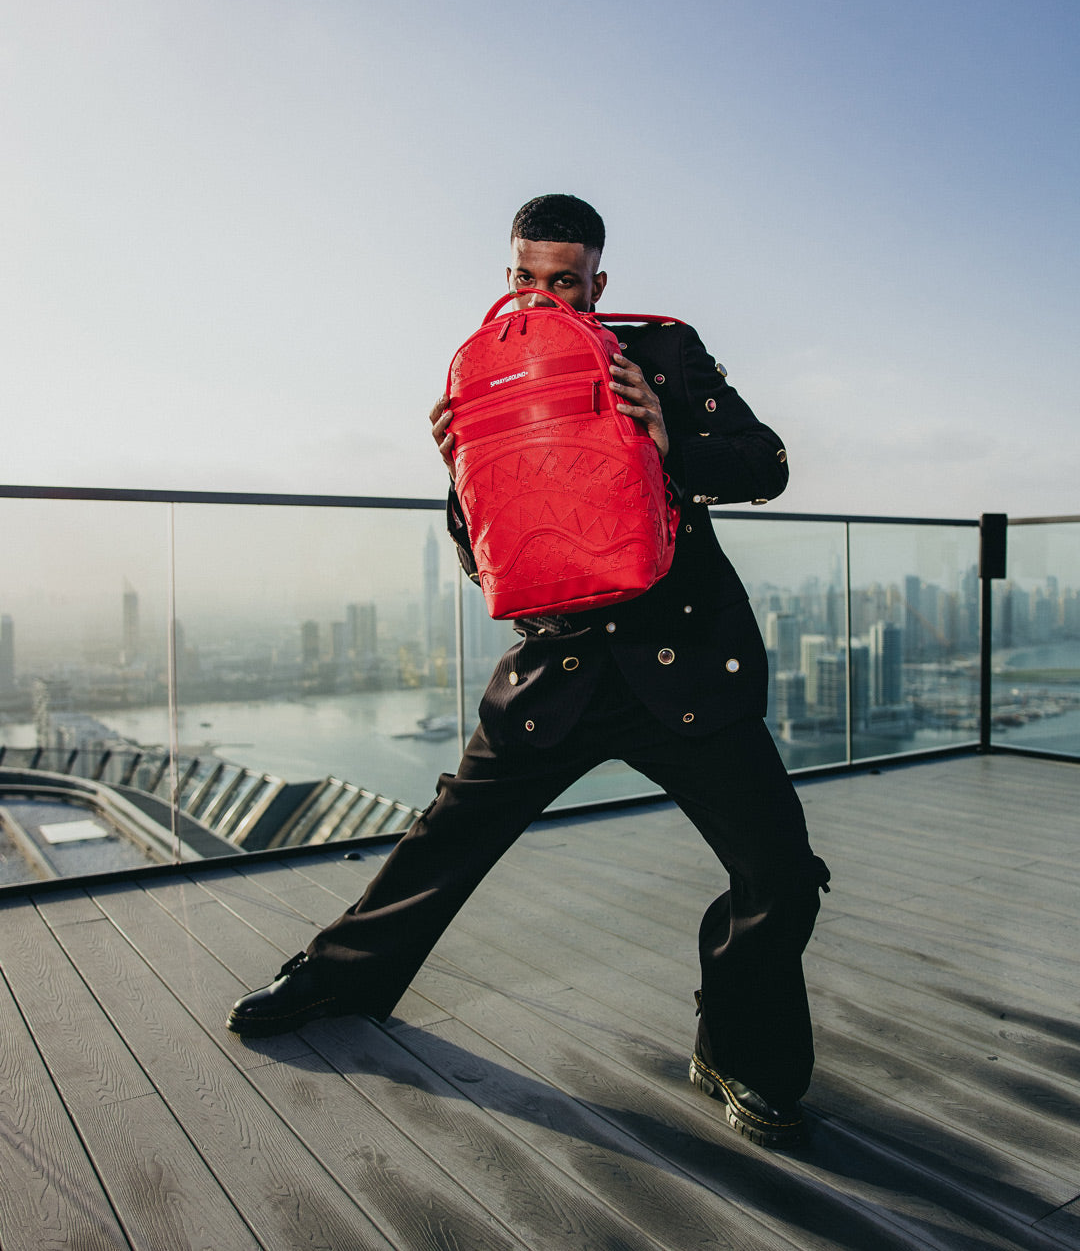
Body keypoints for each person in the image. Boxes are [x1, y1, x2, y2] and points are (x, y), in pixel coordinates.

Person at [227, 194, 830, 1149]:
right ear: (506, 274)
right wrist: (464, 465)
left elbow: (769, 464)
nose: (542, 294)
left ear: (598, 282)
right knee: (444, 839)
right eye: (524, 276)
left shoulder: (662, 352)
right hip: (560, 671)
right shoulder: (491, 364)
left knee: (782, 874)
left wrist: (669, 440)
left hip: (681, 667)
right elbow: (483, 551)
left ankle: (739, 1051)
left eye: (564, 279)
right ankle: (332, 979)